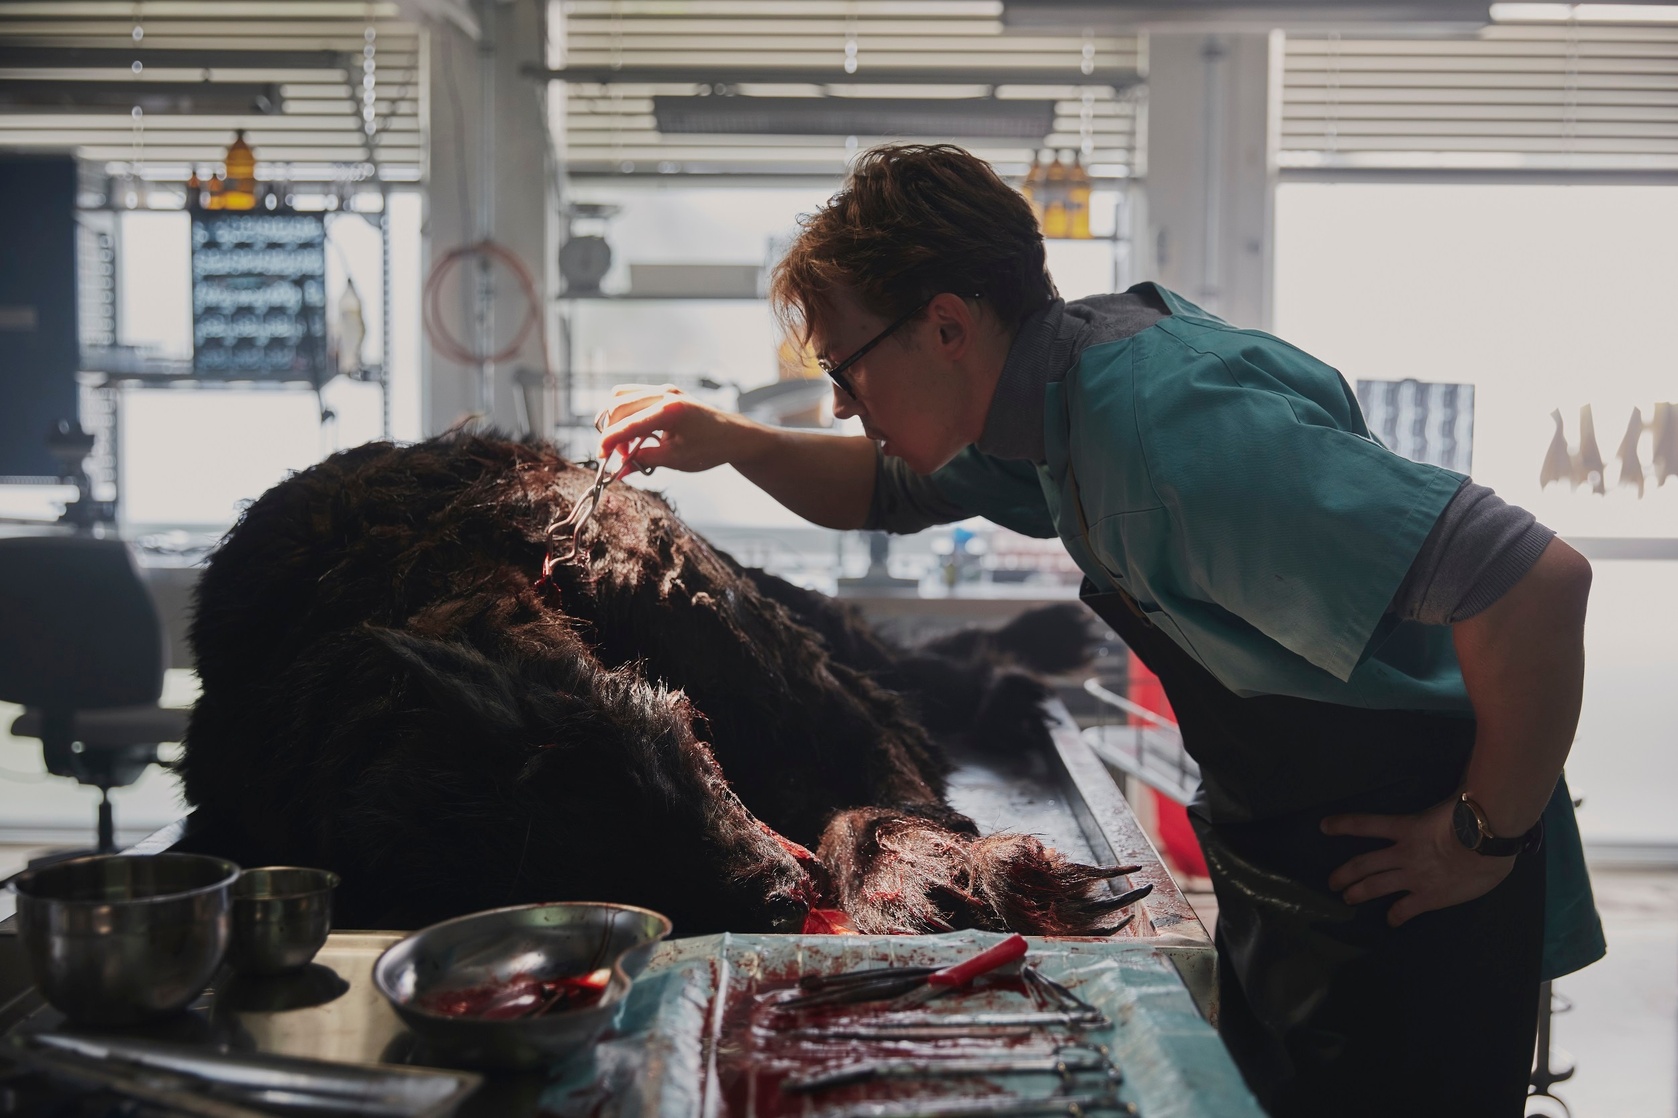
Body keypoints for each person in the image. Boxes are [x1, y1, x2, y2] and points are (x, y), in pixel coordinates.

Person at [597, 144, 1604, 1117]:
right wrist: (726, 440)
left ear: (946, 326)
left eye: (847, 371)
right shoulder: (1046, 400)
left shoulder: (1169, 428)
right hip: (1300, 852)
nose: (838, 405)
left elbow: (1534, 582)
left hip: (1414, 865)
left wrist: (1481, 833)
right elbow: (882, 489)